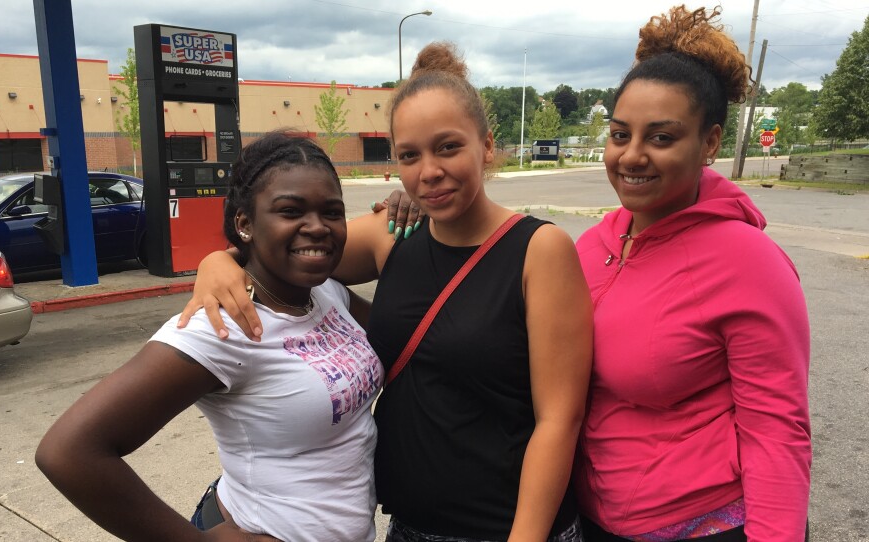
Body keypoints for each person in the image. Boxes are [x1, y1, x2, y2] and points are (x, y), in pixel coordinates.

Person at [180, 42, 594, 541]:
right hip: (407, 527)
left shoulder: (538, 249)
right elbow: (287, 249)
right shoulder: (391, 236)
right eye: (409, 156)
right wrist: (219, 260)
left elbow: (559, 419)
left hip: (506, 528)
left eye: (448, 147)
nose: (429, 171)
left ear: (486, 146)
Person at [35, 132, 384, 542]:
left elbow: (401, 338)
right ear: (245, 223)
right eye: (291, 210)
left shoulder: (327, 293)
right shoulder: (223, 326)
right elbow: (68, 452)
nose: (318, 227)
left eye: (332, 212)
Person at [573, 6, 811, 541]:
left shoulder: (751, 264)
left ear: (709, 143)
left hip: (703, 525)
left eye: (661, 138)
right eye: (619, 134)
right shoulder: (592, 246)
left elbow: (777, 431)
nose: (631, 156)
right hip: (590, 519)